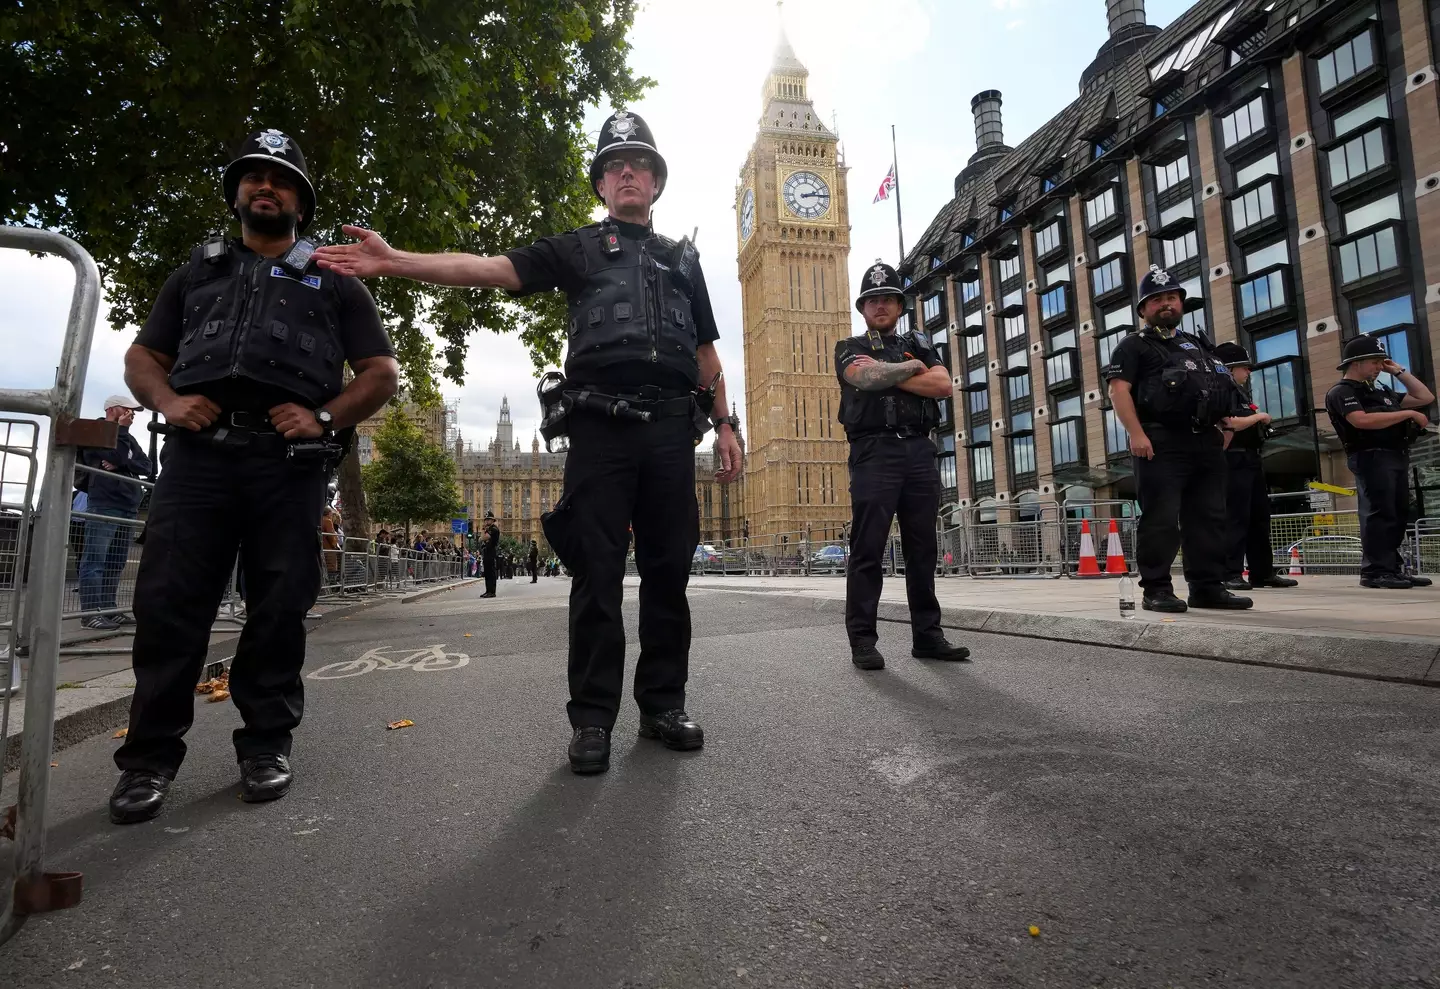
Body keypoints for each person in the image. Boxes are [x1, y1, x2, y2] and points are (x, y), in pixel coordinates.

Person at [316, 109, 743, 774]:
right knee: (597, 576)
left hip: (669, 432)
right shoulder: (578, 249)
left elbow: (708, 352)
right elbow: (489, 268)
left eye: (640, 165)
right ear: (602, 184)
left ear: (656, 183)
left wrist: (725, 424)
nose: (628, 173)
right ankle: (594, 717)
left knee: (668, 576)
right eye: (615, 165)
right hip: (601, 429)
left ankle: (662, 703)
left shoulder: (683, 259)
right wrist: (396, 260)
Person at [108, 128, 399, 825]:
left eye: (281, 179)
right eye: (254, 178)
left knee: (277, 610)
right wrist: (173, 401)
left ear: (301, 200)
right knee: (170, 608)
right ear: (238, 193)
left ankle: (265, 743)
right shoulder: (196, 273)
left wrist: (326, 419)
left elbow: (380, 374)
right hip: (199, 459)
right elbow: (141, 357)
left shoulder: (334, 278)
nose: (265, 187)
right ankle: (147, 758)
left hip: (286, 465)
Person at [834, 261, 970, 671]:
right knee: (868, 549)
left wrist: (890, 372)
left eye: (888, 299)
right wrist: (912, 368)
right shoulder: (848, 346)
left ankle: (928, 636)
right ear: (863, 307)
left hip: (918, 451)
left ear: (899, 305)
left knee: (922, 549)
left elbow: (943, 386)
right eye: (873, 299)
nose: (880, 305)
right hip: (874, 452)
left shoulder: (921, 341)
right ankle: (863, 640)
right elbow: (865, 378)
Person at [1104, 265, 1251, 614]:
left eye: (1171, 298)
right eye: (1156, 300)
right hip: (1160, 441)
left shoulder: (1197, 346)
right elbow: (1118, 391)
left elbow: (1214, 391)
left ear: (1181, 303)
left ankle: (1207, 587)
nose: (1165, 304)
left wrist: (1226, 428)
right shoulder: (1133, 346)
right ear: (1143, 309)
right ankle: (1156, 589)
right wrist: (1136, 434)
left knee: (1209, 517)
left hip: (1205, 442)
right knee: (1161, 519)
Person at [1324, 334, 1436, 589]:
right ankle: (1375, 571)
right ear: (1356, 362)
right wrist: (1406, 413)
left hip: (1394, 454)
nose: (1378, 367)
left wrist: (1398, 371)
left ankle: (1392, 568)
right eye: (1374, 362)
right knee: (1379, 512)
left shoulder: (1379, 391)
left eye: (1380, 362)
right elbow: (1360, 420)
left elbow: (1425, 397)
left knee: (1397, 513)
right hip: (1370, 455)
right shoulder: (1342, 391)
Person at [1213, 342, 1298, 591]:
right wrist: (1259, 417)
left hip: (1250, 457)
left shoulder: (1240, 392)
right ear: (1230, 369)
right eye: (1244, 367)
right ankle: (1230, 572)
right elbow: (1229, 422)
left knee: (1259, 518)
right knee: (1236, 518)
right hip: (1233, 458)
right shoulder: (1222, 389)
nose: (1248, 372)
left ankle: (1262, 572)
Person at [78, 395, 153, 630]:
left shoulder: (128, 438)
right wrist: (120, 437)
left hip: (128, 504)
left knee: (115, 561)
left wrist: (121, 463)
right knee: (95, 559)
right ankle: (91, 613)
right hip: (105, 501)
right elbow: (112, 456)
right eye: (128, 408)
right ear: (113, 409)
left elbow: (146, 466)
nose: (132, 413)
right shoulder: (96, 431)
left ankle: (109, 609)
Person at [480, 511, 500, 598]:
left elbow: (484, 537)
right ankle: (488, 590)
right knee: (487, 573)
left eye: (488, 520)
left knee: (491, 573)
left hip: (491, 552)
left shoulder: (494, 529)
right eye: (486, 520)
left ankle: (492, 592)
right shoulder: (488, 529)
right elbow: (481, 538)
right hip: (486, 551)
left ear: (492, 520)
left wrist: (483, 533)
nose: (486, 521)